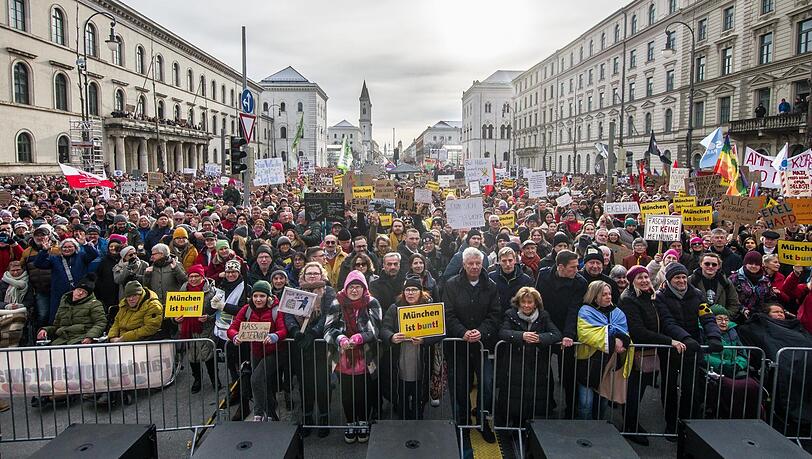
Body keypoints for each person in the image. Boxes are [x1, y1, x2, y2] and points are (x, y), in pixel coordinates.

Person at [619, 266, 685, 445]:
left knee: (640, 387)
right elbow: (638, 331)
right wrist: (668, 341)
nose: (645, 280)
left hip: (650, 350)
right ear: (632, 281)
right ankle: (630, 427)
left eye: (646, 277)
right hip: (638, 351)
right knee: (634, 390)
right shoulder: (629, 300)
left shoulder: (649, 296)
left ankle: (630, 422)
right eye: (639, 278)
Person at [655, 263, 723, 435]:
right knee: (669, 388)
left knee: (690, 389)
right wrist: (685, 338)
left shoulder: (697, 295)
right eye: (677, 277)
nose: (681, 280)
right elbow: (667, 322)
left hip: (692, 348)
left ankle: (686, 425)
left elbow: (707, 317)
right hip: (671, 348)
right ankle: (670, 423)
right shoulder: (661, 297)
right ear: (670, 280)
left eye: (684, 277)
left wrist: (714, 336)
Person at [443, 247, 500, 444]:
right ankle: (464, 422)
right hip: (459, 345)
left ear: (482, 263)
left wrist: (481, 332)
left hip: (483, 345)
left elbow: (495, 314)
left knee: (486, 384)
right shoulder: (451, 285)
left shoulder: (491, 285)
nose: (475, 267)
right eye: (471, 264)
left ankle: (483, 421)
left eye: (478, 263)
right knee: (460, 385)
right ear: (464, 265)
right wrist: (463, 332)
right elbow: (448, 314)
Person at [324, 271, 382, 444]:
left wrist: (360, 338)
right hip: (342, 356)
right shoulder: (337, 302)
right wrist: (340, 339)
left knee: (363, 392)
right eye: (351, 286)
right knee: (347, 393)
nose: (354, 290)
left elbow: (375, 329)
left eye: (358, 286)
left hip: (366, 355)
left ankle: (363, 421)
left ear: (364, 288)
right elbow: (328, 328)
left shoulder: (372, 302)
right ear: (345, 287)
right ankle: (350, 422)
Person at [495, 286, 561, 428]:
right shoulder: (510, 314)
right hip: (515, 365)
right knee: (514, 397)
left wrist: (539, 338)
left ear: (535, 303)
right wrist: (522, 336)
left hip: (537, 365)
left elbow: (556, 334)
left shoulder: (544, 316)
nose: (526, 305)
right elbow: (503, 332)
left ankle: (531, 426)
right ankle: (514, 424)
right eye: (523, 302)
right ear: (518, 303)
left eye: (529, 302)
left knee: (535, 397)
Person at [380, 275, 442, 420]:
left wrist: (424, 340)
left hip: (421, 363)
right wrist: (391, 337)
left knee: (418, 400)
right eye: (407, 290)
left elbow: (440, 332)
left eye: (414, 289)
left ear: (421, 292)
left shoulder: (429, 309)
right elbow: (384, 328)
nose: (410, 293)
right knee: (401, 399)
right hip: (400, 363)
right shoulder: (395, 308)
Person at [535, 249, 587, 418]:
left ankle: (570, 410)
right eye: (572, 267)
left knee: (569, 374)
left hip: (567, 330)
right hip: (546, 329)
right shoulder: (543, 276)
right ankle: (547, 405)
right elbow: (539, 304)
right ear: (560, 267)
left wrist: (568, 335)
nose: (576, 270)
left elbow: (574, 310)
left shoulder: (579, 282)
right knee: (543, 371)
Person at [286, 262, 335, 437]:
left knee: (322, 384)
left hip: (320, 345)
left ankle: (324, 416)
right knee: (304, 384)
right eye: (309, 274)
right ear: (303, 276)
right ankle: (307, 416)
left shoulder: (328, 292)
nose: (312, 276)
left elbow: (329, 314)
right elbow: (289, 313)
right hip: (301, 346)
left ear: (322, 275)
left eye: (316, 273)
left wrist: (313, 333)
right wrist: (294, 331)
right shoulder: (296, 291)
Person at [227, 280, 287, 421]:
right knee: (261, 382)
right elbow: (232, 327)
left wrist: (275, 336)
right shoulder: (247, 309)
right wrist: (235, 336)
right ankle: (270, 412)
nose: (258, 299)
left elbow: (283, 330)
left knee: (256, 379)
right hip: (256, 351)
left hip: (274, 352)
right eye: (255, 296)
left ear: (268, 297)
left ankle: (260, 413)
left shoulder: (275, 309)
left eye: (262, 296)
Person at [575, 281, 632, 420]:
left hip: (609, 364)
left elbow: (625, 332)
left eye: (609, 294)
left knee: (603, 401)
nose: (608, 297)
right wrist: (614, 341)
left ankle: (600, 429)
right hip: (589, 364)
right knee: (585, 403)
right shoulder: (585, 311)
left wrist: (621, 340)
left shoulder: (617, 312)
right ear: (594, 296)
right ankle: (585, 430)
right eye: (604, 294)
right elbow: (586, 334)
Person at [702, 304, 761, 419]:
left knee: (753, 386)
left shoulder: (733, 332)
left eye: (726, 319)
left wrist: (738, 364)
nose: (724, 322)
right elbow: (702, 354)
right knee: (730, 387)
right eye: (719, 319)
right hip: (715, 370)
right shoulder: (703, 332)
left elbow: (743, 353)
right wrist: (722, 365)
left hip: (734, 369)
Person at [211, 259, 251, 420]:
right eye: (228, 272)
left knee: (242, 368)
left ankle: (244, 402)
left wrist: (224, 307)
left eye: (234, 272)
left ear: (239, 272)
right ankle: (235, 392)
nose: (231, 275)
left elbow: (244, 310)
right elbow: (214, 306)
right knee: (231, 366)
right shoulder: (221, 286)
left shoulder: (245, 288)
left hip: (239, 334)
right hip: (222, 333)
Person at [33, 237, 98, 325]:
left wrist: (85, 244)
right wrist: (44, 251)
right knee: (58, 316)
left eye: (70, 247)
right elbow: (38, 264)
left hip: (79, 292)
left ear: (75, 248)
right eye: (64, 247)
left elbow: (94, 254)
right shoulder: (55, 259)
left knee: (80, 316)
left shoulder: (81, 256)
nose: (67, 249)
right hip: (59, 293)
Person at [176, 264, 219, 394]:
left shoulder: (212, 291)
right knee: (192, 356)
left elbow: (217, 311)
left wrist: (209, 317)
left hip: (205, 329)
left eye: (196, 276)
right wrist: (176, 319)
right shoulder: (182, 291)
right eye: (191, 276)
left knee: (208, 355)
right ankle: (197, 380)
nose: (193, 279)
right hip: (188, 329)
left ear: (202, 277)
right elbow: (176, 310)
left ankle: (214, 379)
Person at [689, 252, 741, 319]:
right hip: (697, 320)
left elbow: (734, 304)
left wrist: (725, 316)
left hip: (722, 320)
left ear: (718, 266)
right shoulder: (691, 281)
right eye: (707, 264)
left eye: (714, 264)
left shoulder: (725, 282)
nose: (710, 266)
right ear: (700, 264)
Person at [729, 251, 776, 319]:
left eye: (757, 264)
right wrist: (743, 310)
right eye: (750, 263)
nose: (753, 266)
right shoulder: (734, 278)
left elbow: (770, 298)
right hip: (738, 316)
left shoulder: (765, 280)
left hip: (761, 316)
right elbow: (730, 300)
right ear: (745, 264)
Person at [490, 247, 534, 312]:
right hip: (497, 317)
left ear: (515, 260)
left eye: (510, 260)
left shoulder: (526, 280)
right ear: (499, 261)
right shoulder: (491, 278)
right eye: (504, 261)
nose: (507, 264)